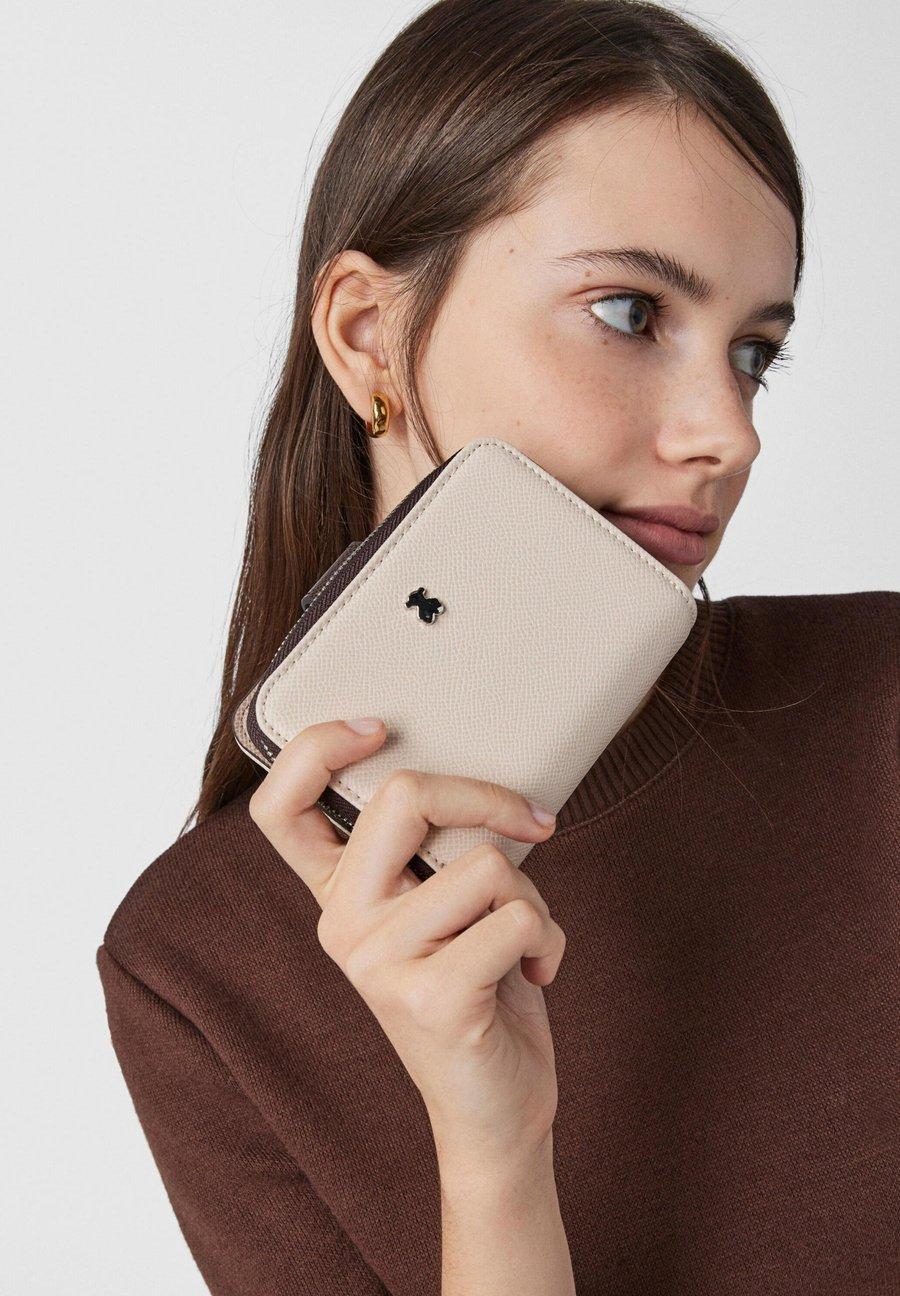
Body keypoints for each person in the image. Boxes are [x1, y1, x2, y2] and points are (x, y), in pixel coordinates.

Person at [96, 2, 899, 1293]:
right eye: (630, 311)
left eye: (756, 353)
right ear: (367, 334)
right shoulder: (203, 963)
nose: (729, 433)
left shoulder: (881, 701)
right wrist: (494, 1153)